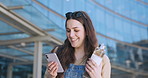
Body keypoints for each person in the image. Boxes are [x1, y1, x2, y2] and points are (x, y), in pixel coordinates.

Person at [44, 11, 111, 78]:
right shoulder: (58, 52)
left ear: (87, 31)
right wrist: (51, 76)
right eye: (68, 30)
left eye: (76, 30)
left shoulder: (102, 60)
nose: (71, 35)